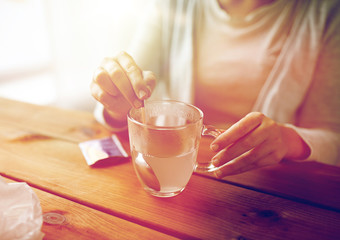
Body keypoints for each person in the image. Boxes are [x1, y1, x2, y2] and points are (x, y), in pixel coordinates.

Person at [90, 0, 340, 178]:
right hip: (173, 172)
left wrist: (288, 140)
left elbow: (333, 138)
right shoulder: (172, 5)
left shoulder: (328, 14)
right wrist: (117, 103)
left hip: (271, 186)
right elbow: (125, 95)